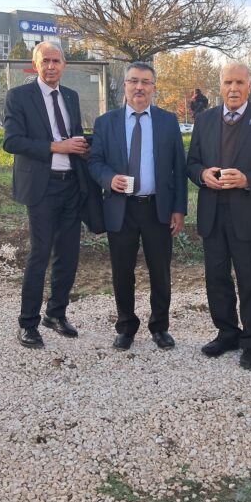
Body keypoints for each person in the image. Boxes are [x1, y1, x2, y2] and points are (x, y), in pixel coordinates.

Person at [186, 62, 251, 370]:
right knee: (216, 277)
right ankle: (227, 332)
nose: (233, 88)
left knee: (249, 280)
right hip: (212, 213)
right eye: (228, 82)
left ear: (249, 86)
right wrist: (202, 174)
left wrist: (247, 179)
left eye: (239, 82)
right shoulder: (204, 120)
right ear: (220, 86)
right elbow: (192, 163)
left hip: (247, 213)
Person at [89, 62, 187, 350]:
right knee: (122, 272)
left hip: (157, 208)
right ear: (125, 85)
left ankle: (160, 326)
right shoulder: (106, 122)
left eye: (146, 82)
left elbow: (179, 168)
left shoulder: (168, 121)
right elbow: (94, 162)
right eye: (133, 81)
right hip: (121, 208)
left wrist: (179, 209)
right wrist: (109, 179)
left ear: (154, 88)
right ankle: (126, 326)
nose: (139, 87)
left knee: (160, 271)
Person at [3, 41, 89, 349]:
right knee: (40, 254)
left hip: (71, 184)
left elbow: (74, 135)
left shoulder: (71, 96)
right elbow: (12, 141)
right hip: (42, 186)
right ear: (35, 64)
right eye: (45, 61)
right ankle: (28, 323)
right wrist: (56, 146)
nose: (51, 66)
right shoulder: (19, 96)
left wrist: (84, 146)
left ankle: (56, 314)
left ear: (64, 65)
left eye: (56, 61)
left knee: (68, 254)